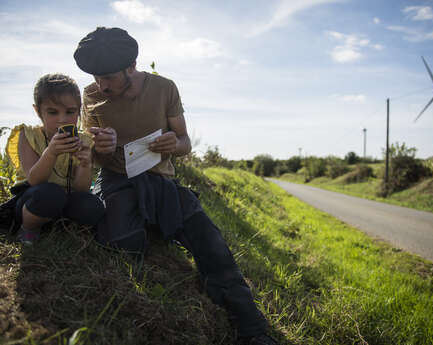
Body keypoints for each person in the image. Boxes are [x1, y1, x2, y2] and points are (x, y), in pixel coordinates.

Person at [73, 27, 279, 345]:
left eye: (109, 77)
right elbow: (93, 155)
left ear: (132, 66)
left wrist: (173, 143)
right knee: (122, 242)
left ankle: (252, 330)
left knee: (211, 243)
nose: (102, 85)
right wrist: (102, 146)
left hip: (160, 179)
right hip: (117, 180)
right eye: (96, 77)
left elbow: (185, 143)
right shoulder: (92, 94)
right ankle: (148, 225)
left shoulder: (165, 88)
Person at [6, 73, 105, 245]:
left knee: (93, 205)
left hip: (67, 198)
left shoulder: (84, 141)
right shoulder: (28, 135)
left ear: (79, 111)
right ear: (38, 111)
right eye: (52, 112)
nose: (62, 119)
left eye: (70, 112)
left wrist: (85, 164)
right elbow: (34, 179)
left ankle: (62, 228)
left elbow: (81, 188)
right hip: (34, 199)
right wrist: (50, 153)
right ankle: (29, 229)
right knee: (50, 194)